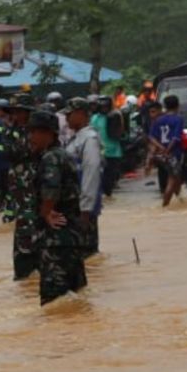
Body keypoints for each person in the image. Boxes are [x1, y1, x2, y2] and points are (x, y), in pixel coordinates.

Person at [27, 110, 87, 305]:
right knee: (74, 298)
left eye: (34, 132)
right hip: (71, 236)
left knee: (53, 302)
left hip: (56, 240)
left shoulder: (51, 158)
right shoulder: (63, 155)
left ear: (48, 133)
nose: (30, 138)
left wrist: (45, 213)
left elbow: (51, 189)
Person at [63, 98, 104, 257]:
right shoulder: (77, 138)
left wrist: (85, 209)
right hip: (75, 205)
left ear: (80, 114)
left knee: (86, 255)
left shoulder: (89, 139)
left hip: (83, 208)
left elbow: (91, 172)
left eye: (69, 114)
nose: (66, 118)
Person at [4, 94, 39, 279]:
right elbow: (10, 152)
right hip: (19, 189)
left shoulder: (37, 132)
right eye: (13, 112)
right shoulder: (11, 132)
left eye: (18, 112)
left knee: (32, 229)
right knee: (23, 229)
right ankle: (25, 275)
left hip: (34, 188)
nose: (14, 116)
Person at [146, 94, 186, 206]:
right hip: (174, 153)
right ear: (178, 105)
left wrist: (161, 147)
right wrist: (167, 150)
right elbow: (175, 138)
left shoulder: (158, 120)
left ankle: (182, 201)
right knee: (172, 179)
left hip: (161, 154)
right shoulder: (178, 119)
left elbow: (151, 137)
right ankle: (165, 205)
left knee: (177, 177)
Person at [90, 96, 124, 197]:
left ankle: (108, 196)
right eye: (102, 107)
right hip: (99, 151)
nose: (104, 108)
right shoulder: (95, 118)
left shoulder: (115, 116)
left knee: (110, 178)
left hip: (113, 152)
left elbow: (121, 131)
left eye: (106, 107)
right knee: (99, 178)